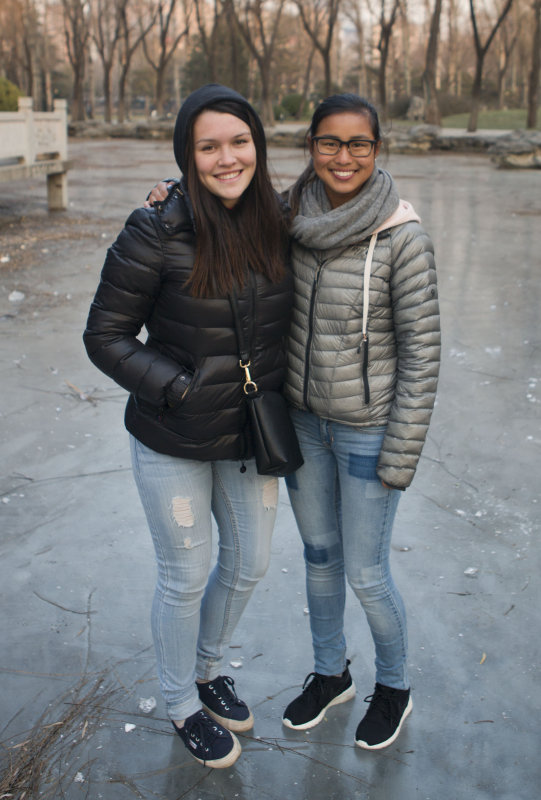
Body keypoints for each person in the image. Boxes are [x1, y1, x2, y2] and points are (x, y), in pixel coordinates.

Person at [146, 92, 440, 752]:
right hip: (302, 422)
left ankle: (392, 685)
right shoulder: (283, 218)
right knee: (318, 559)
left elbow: (422, 356)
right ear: (309, 147)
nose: (343, 156)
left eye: (358, 143)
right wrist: (172, 193)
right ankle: (330, 672)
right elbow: (220, 204)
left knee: (365, 572)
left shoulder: (402, 235)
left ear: (376, 148)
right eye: (328, 143)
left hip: (367, 430)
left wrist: (399, 454)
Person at [83, 84, 293, 769]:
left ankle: (207, 669)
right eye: (208, 146)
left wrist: (393, 210)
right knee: (184, 575)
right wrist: (176, 386)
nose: (227, 158)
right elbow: (105, 335)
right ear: (186, 155)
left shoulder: (276, 221)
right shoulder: (155, 227)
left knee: (250, 562)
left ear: (257, 146)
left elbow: (344, 196)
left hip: (249, 432)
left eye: (238, 141)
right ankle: (180, 701)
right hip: (171, 434)